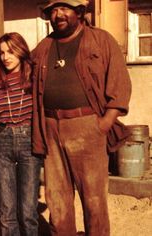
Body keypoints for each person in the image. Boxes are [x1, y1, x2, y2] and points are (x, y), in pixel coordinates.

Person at [31, 0, 132, 235]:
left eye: (64, 8)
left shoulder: (101, 40)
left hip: (87, 126)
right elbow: (22, 72)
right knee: (56, 199)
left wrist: (105, 123)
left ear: (79, 11)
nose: (58, 15)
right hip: (50, 127)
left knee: (93, 199)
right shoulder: (44, 46)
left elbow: (120, 82)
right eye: (53, 10)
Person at [0, 32, 42, 236]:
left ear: (21, 50)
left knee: (28, 210)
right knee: (6, 210)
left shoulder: (35, 79)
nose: (6, 57)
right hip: (1, 142)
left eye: (11, 51)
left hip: (29, 141)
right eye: (2, 52)